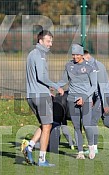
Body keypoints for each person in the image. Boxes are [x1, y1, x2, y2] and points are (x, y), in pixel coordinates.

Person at [23, 30, 64, 167]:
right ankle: (42, 159)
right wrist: (56, 86)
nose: (50, 44)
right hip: (41, 97)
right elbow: (41, 77)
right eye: (48, 41)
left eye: (51, 41)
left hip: (32, 95)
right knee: (48, 126)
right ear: (40, 41)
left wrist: (47, 91)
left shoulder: (31, 54)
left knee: (44, 124)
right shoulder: (39, 55)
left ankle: (29, 147)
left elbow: (35, 78)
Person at [57, 44, 98, 160]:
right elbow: (64, 80)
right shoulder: (69, 66)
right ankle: (80, 152)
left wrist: (84, 97)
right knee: (76, 126)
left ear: (82, 55)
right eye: (73, 55)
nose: (74, 57)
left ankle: (91, 147)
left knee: (87, 125)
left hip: (86, 100)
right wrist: (53, 86)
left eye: (77, 55)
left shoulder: (90, 67)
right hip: (72, 99)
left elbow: (94, 86)